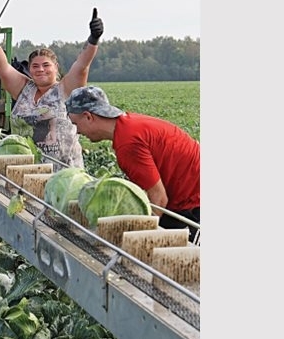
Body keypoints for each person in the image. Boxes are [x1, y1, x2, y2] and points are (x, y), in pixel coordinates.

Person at [64, 85, 200, 240]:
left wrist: (137, 237)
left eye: (76, 124)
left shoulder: (128, 144)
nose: (78, 131)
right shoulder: (127, 123)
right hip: (182, 194)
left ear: (88, 117)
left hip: (193, 202)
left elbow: (159, 199)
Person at [0, 9, 105, 168]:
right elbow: (3, 68)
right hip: (25, 171)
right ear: (30, 69)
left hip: (63, 172)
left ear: (56, 68)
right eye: (35, 66)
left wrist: (93, 39)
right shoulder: (24, 89)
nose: (40, 69)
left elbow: (82, 65)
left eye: (46, 65)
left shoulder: (66, 90)